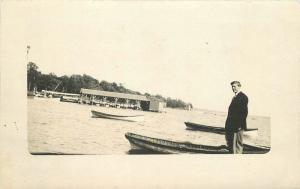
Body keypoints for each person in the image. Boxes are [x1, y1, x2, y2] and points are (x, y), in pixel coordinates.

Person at [225, 81, 248, 154]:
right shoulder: (235, 97)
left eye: (235, 86)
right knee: (233, 146)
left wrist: (239, 125)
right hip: (232, 126)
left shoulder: (243, 97)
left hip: (238, 126)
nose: (233, 88)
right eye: (232, 86)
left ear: (239, 86)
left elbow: (244, 113)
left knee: (238, 145)